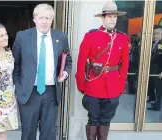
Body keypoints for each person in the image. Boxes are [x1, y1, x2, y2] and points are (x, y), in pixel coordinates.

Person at [12, 4, 72, 140]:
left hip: (51, 92)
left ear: (52, 20)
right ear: (35, 19)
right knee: (28, 133)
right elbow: (15, 64)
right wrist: (18, 87)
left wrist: (65, 73)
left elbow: (67, 59)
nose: (44, 21)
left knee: (49, 133)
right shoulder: (22, 37)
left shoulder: (61, 37)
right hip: (28, 93)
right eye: (41, 18)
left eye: (48, 18)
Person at [75, 1, 129, 140]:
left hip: (112, 87)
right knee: (93, 119)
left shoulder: (122, 38)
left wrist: (120, 87)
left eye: (115, 17)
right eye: (109, 16)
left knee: (106, 120)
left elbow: (124, 65)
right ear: (103, 18)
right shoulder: (91, 36)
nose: (113, 19)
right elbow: (81, 63)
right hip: (94, 85)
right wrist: (82, 85)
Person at [148, 25, 162, 111]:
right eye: (154, 34)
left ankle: (157, 106)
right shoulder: (154, 44)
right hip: (154, 70)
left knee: (158, 90)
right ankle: (155, 103)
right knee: (155, 88)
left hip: (159, 71)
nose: (155, 36)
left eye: (158, 34)